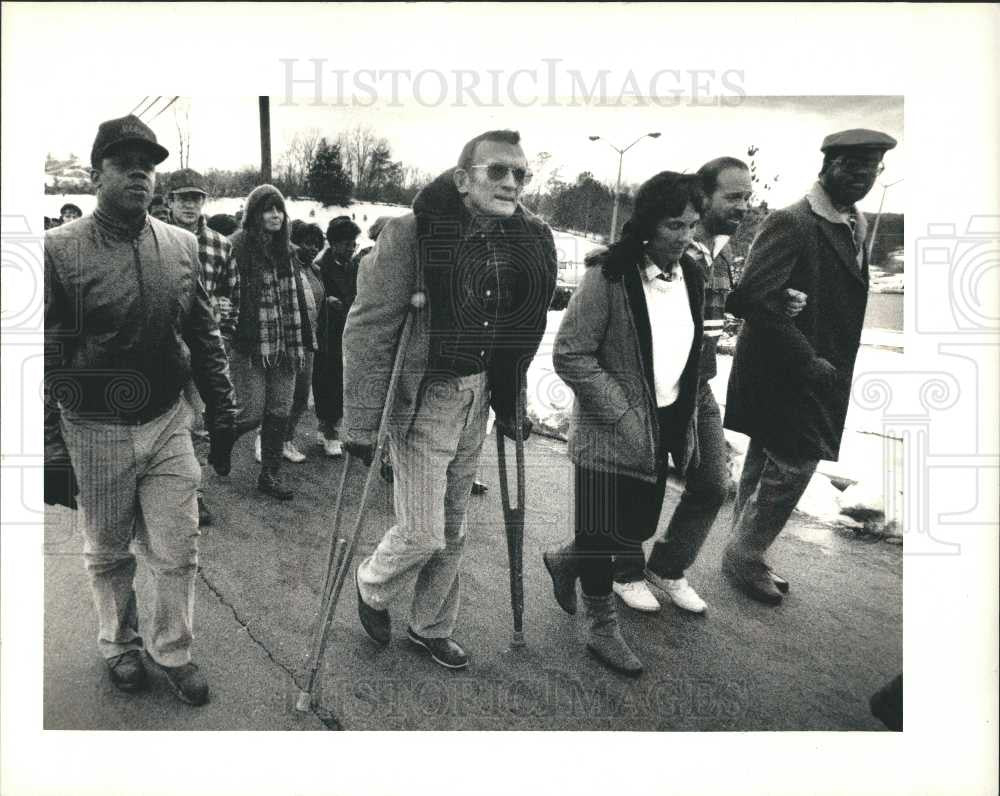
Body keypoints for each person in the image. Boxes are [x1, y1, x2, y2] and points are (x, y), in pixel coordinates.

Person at [44, 114, 238, 705]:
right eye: (125, 163)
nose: (139, 174)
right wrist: (50, 447)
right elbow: (42, 356)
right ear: (97, 172)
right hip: (94, 428)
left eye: (148, 165)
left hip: (166, 421)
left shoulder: (180, 247)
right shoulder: (58, 251)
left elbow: (203, 334)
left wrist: (223, 411)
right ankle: (119, 645)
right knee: (107, 549)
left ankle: (172, 649)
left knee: (178, 546)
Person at [344, 130, 557, 669]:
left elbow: (519, 329)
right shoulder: (411, 235)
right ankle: (371, 582)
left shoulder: (524, 241)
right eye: (498, 172)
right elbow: (367, 332)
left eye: (520, 175)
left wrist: (509, 398)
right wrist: (362, 422)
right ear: (463, 179)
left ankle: (430, 625)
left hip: (479, 393)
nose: (512, 183)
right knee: (421, 531)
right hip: (424, 396)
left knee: (455, 526)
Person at [609, 157, 806, 614]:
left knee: (712, 484)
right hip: (660, 384)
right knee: (641, 484)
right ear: (704, 195)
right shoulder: (674, 245)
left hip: (699, 385)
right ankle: (621, 570)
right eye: (733, 196)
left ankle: (668, 566)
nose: (743, 205)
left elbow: (719, 301)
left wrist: (773, 300)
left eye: (747, 196)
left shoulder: (720, 250)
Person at [722, 128, 897, 604]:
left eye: (872, 168)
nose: (863, 177)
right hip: (789, 369)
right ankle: (744, 555)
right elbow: (754, 297)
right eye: (853, 166)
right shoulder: (794, 221)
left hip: (810, 370)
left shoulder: (851, 224)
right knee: (794, 465)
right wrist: (810, 360)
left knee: (765, 460)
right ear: (828, 166)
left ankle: (742, 550)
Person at [548, 171, 705, 675]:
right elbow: (571, 354)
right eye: (674, 225)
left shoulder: (692, 275)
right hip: (607, 428)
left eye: (692, 225)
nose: (684, 237)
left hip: (660, 426)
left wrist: (686, 418)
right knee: (599, 532)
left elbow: (690, 350)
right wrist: (621, 411)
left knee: (633, 529)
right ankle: (601, 628)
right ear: (647, 224)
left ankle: (567, 558)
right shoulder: (609, 275)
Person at [228, 184, 316, 499]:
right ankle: (221, 443)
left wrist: (306, 340)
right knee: (251, 412)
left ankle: (270, 475)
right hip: (250, 345)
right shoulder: (236, 246)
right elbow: (225, 293)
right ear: (254, 213)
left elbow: (298, 299)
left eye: (279, 209)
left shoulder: (288, 251)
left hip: (287, 345)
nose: (275, 215)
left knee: (279, 410)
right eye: (268, 209)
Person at [166, 168, 240, 527]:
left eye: (196, 198)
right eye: (183, 198)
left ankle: (194, 496)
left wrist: (224, 315)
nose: (190, 205)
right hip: (160, 343)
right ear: (170, 201)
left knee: (196, 421)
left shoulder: (219, 244)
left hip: (203, 346)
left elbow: (231, 291)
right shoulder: (153, 238)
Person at [312, 215, 360, 458]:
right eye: (346, 243)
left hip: (347, 332)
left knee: (342, 382)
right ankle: (329, 431)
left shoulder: (354, 265)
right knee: (327, 382)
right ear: (333, 243)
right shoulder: (320, 266)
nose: (351, 248)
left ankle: (327, 427)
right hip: (327, 334)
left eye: (353, 243)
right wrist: (327, 301)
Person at [283, 220, 326, 461]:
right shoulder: (286, 268)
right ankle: (265, 439)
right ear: (295, 243)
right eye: (307, 244)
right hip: (288, 340)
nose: (312, 249)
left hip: (309, 341)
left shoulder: (316, 271)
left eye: (317, 245)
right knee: (281, 396)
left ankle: (286, 440)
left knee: (300, 395)